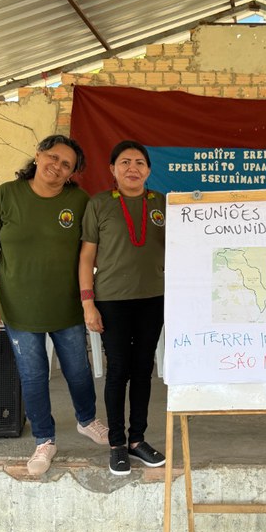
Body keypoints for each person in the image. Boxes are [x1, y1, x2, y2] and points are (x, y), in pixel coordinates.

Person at [0, 135, 109, 476]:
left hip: (66, 307)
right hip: (19, 307)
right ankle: (44, 439)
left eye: (67, 164)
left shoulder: (79, 200)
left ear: (72, 173)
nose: (57, 166)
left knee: (78, 370)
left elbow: (90, 251)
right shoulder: (6, 195)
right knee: (33, 376)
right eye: (52, 157)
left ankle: (87, 420)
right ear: (37, 155)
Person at [79, 141, 165, 476]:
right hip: (111, 300)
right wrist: (88, 303)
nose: (133, 168)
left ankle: (137, 440)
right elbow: (86, 257)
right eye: (125, 162)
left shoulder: (161, 203)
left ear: (148, 170)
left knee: (143, 370)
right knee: (118, 371)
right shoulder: (100, 204)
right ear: (113, 169)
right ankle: (116, 443)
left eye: (140, 162)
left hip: (152, 299)